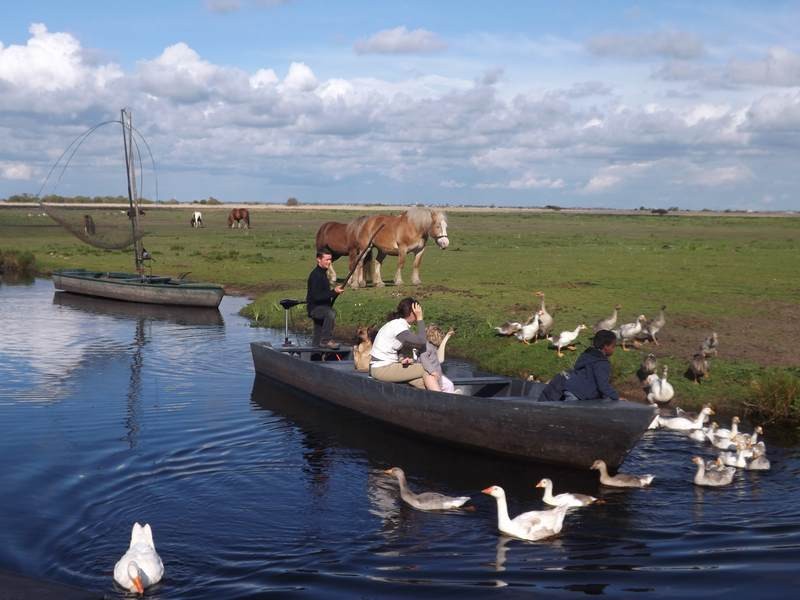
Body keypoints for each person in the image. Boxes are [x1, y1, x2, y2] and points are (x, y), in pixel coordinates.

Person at [370, 297, 440, 390]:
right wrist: (420, 319)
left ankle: (438, 397)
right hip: (381, 368)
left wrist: (401, 358)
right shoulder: (398, 327)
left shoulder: (398, 324)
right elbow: (421, 341)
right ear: (412, 313)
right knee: (425, 369)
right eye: (418, 311)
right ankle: (445, 400)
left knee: (422, 381)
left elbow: (395, 348)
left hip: (386, 366)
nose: (420, 313)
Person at [539, 329, 620, 402]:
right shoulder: (602, 363)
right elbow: (603, 385)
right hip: (578, 394)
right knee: (569, 413)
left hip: (569, 387)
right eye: (613, 346)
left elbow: (577, 367)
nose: (614, 349)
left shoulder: (587, 354)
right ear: (606, 347)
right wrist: (616, 396)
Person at [306, 248, 344, 348]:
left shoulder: (323, 273)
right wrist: (333, 292)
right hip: (315, 309)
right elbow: (316, 297)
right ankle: (326, 340)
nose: (329, 262)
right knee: (330, 313)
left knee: (317, 335)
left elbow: (325, 293)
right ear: (318, 259)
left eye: (330, 259)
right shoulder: (315, 275)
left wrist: (335, 292)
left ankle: (315, 353)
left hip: (323, 308)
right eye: (326, 260)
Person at [420, 324, 456, 393]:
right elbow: (423, 359)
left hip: (436, 373)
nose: (440, 339)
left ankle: (450, 398)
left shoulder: (433, 346)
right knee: (448, 385)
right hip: (430, 374)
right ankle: (448, 399)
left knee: (449, 385)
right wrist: (432, 371)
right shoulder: (426, 347)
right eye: (440, 337)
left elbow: (440, 359)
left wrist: (447, 336)